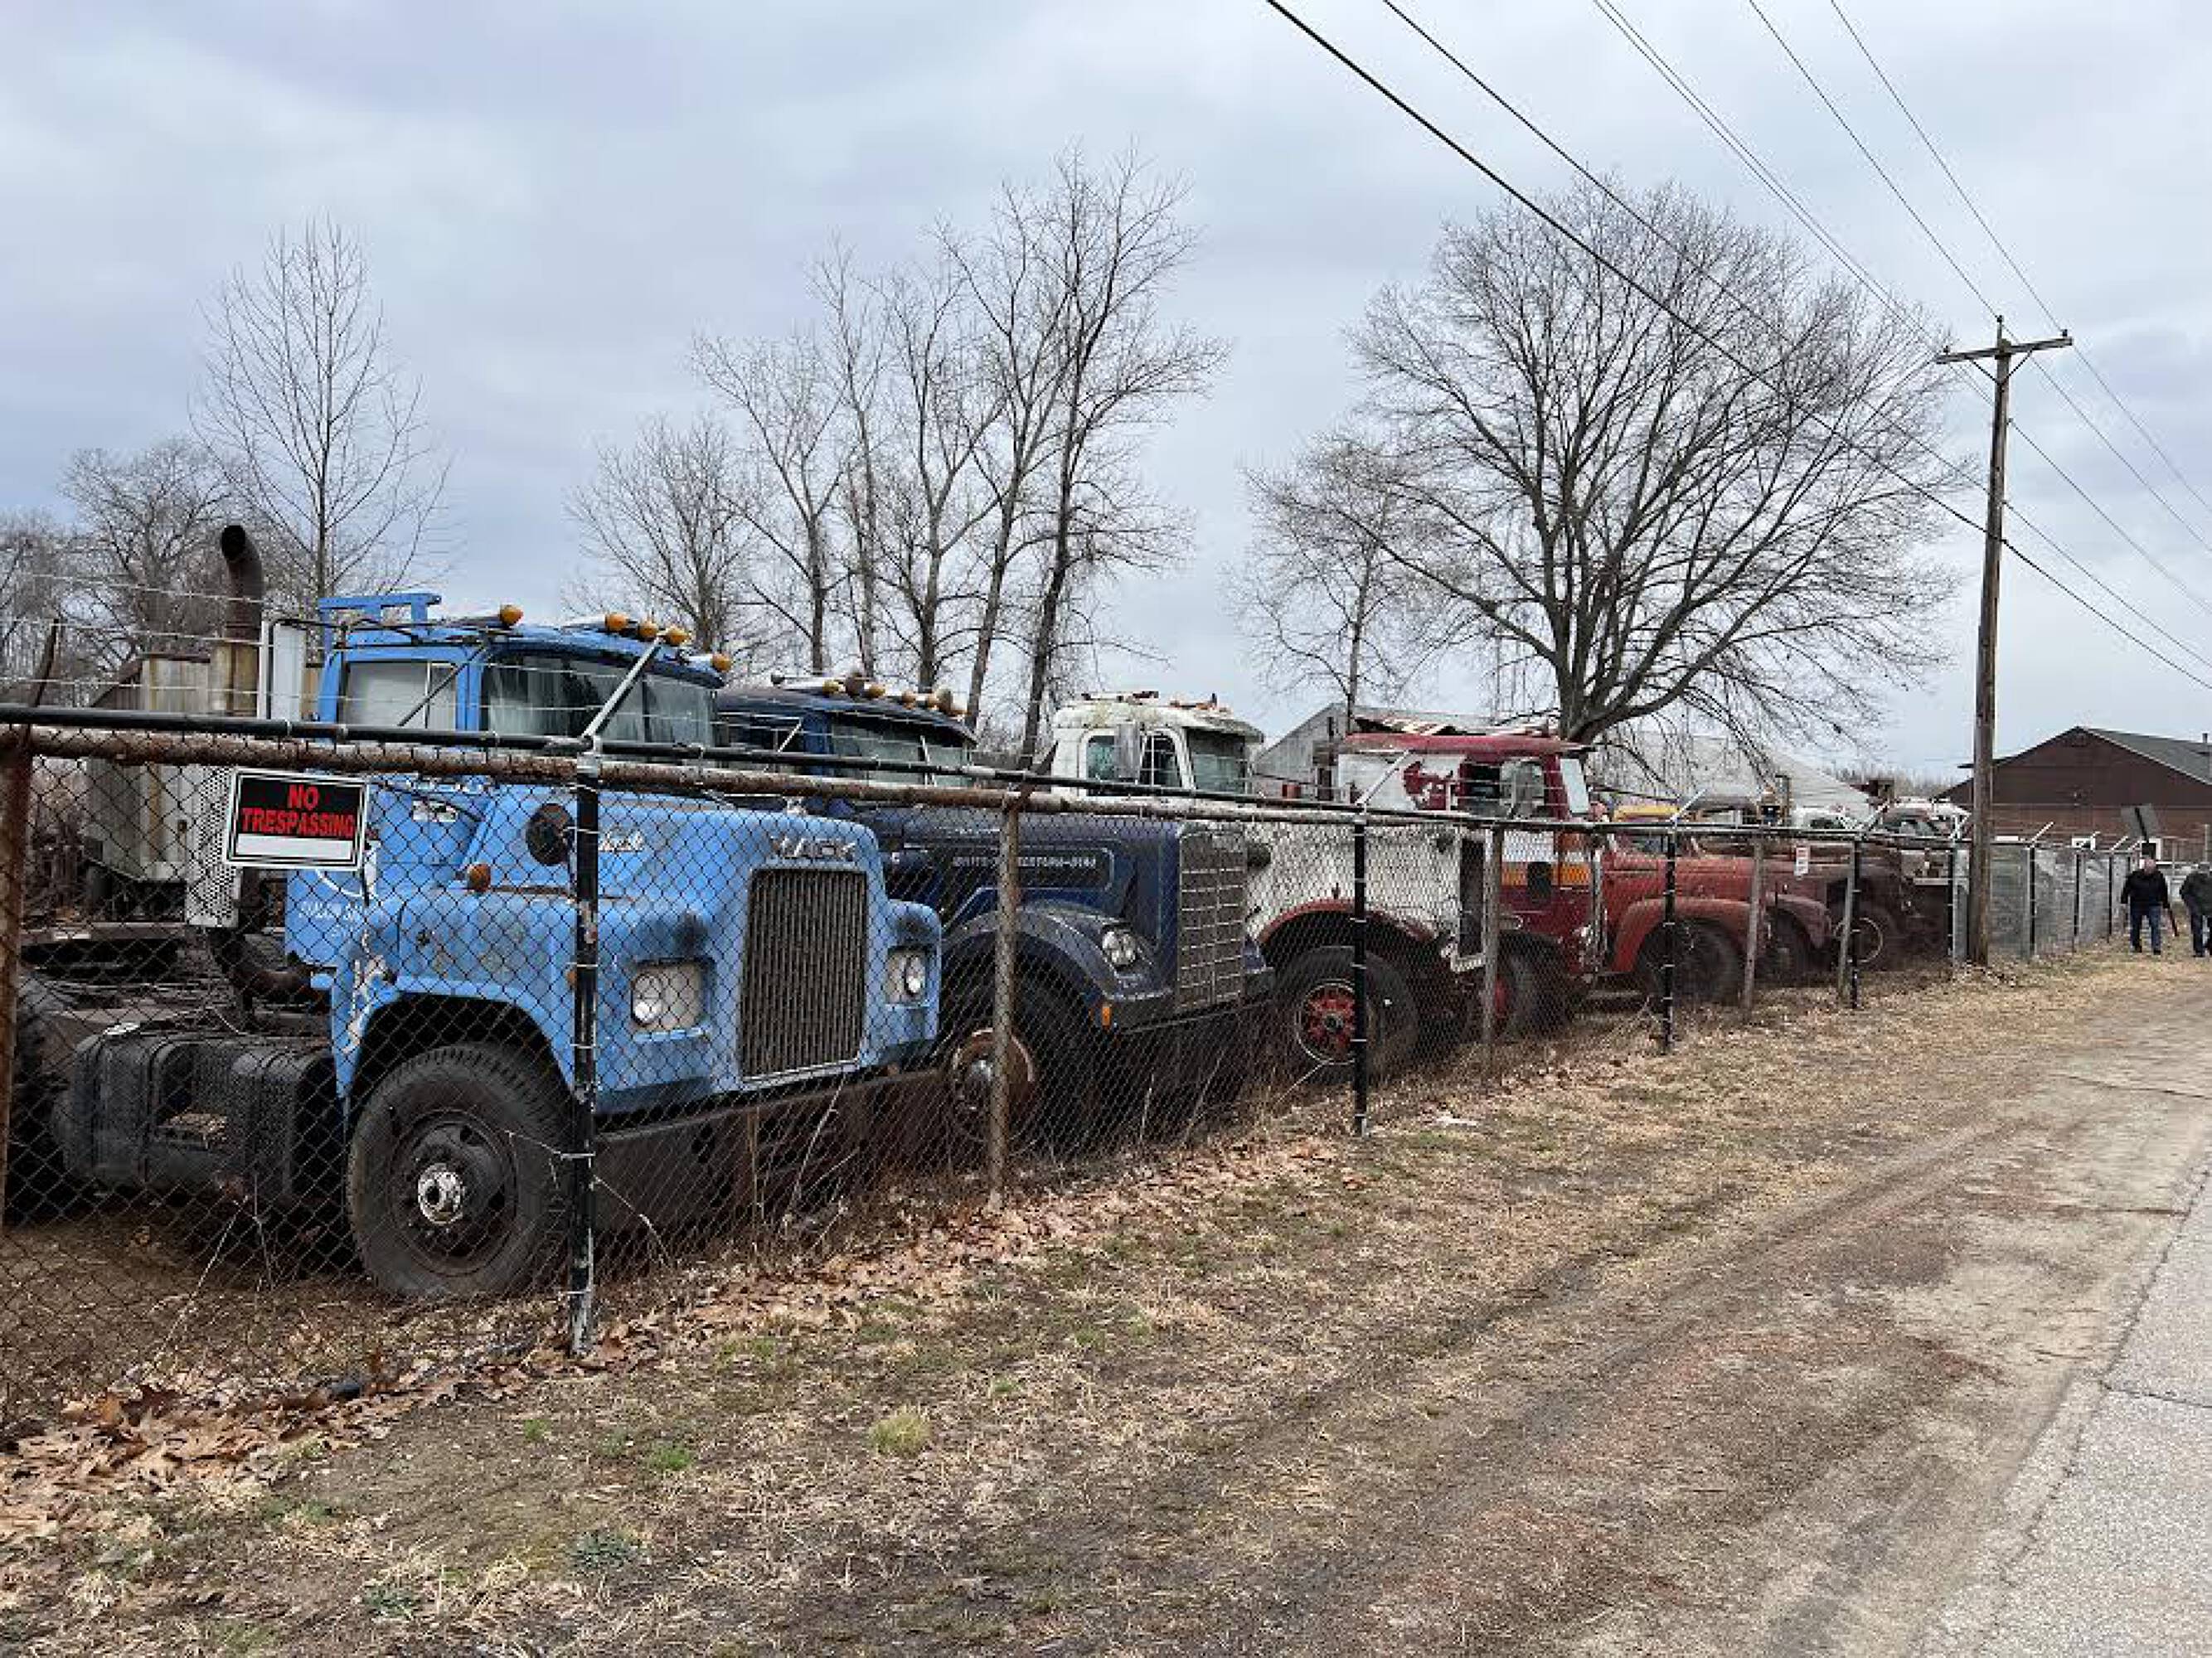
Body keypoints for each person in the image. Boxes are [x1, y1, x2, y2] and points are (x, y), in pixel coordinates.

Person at [2121, 852, 2178, 955]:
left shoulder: (2159, 876)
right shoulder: (2134, 875)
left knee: (2155, 926)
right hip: (2137, 904)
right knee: (2136, 927)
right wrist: (2124, 902)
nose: (2150, 871)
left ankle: (2156, 948)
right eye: (2148, 869)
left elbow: (2163, 891)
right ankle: (2136, 946)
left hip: (2153, 905)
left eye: (2152, 869)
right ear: (2144, 867)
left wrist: (2166, 905)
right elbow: (2126, 889)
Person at [2184, 863, 2212, 957]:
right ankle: (2199, 951)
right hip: (2196, 908)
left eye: (2205, 873)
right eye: (2201, 873)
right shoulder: (2191, 878)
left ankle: (2209, 945)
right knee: (2197, 930)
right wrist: (2192, 906)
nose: (2203, 875)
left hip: (2210, 907)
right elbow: (2184, 892)